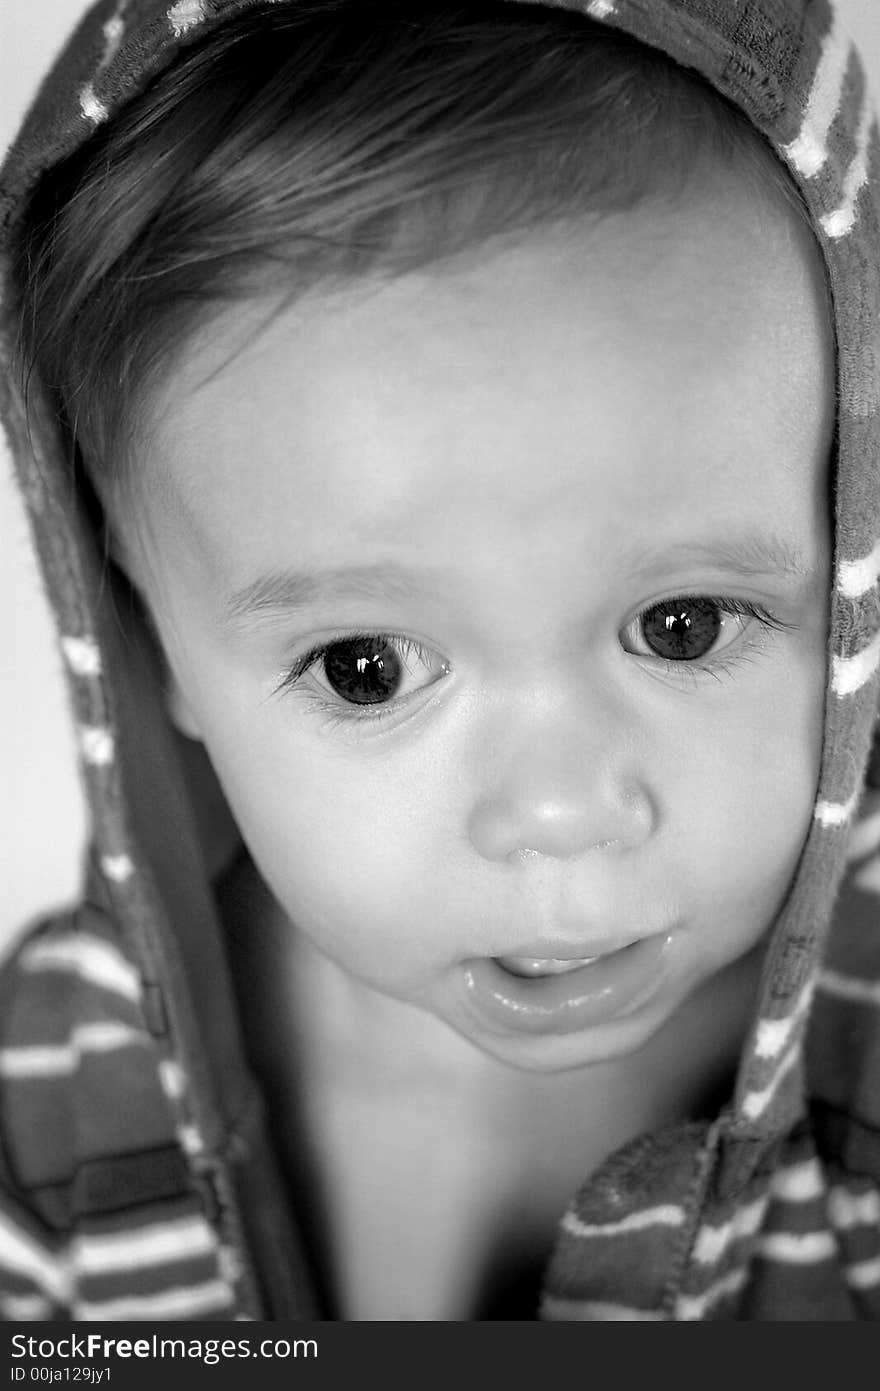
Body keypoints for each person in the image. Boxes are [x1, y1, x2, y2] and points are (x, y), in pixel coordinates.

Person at [0, 0, 878, 1323]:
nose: (562, 810)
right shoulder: (52, 1095)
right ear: (144, 636)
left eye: (682, 624)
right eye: (365, 665)